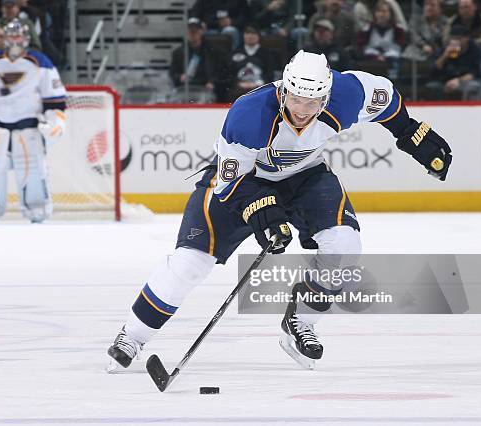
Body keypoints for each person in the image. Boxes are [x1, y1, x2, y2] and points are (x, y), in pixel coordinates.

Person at [107, 50, 452, 371]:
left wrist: (410, 132)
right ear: (285, 90)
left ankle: (301, 321)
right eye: (296, 99)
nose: (302, 109)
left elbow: (386, 99)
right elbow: (231, 182)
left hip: (306, 177)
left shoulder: (350, 93)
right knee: (190, 264)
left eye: (312, 101)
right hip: (244, 181)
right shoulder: (249, 113)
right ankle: (133, 336)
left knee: (345, 247)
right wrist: (263, 212)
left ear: (326, 97)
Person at [0, 19, 66, 224]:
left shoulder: (41, 62)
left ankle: (36, 206)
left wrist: (55, 121)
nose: (15, 40)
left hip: (28, 125)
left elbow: (55, 100)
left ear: (26, 38)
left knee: (32, 169)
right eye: (11, 35)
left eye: (19, 35)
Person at [169, 17, 228, 103]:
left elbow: (222, 71)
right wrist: (180, 77)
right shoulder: (178, 52)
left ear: (201, 31)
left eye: (195, 31)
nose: (192, 34)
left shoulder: (214, 51)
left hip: (206, 87)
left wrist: (213, 82)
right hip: (185, 88)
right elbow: (173, 73)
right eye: (190, 31)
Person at [426, 25, 481, 100]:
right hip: (445, 80)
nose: (455, 41)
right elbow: (433, 71)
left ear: (467, 38)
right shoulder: (445, 48)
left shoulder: (475, 50)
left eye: (458, 38)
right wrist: (445, 55)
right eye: (453, 38)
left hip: (465, 81)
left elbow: (475, 72)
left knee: (472, 86)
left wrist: (458, 81)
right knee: (433, 86)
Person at [225, 25, 276, 102]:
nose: (250, 36)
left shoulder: (267, 54)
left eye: (253, 33)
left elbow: (270, 74)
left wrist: (259, 83)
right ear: (243, 36)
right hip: (238, 88)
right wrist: (238, 83)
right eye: (247, 33)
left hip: (261, 87)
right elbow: (228, 73)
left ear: (258, 36)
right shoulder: (234, 53)